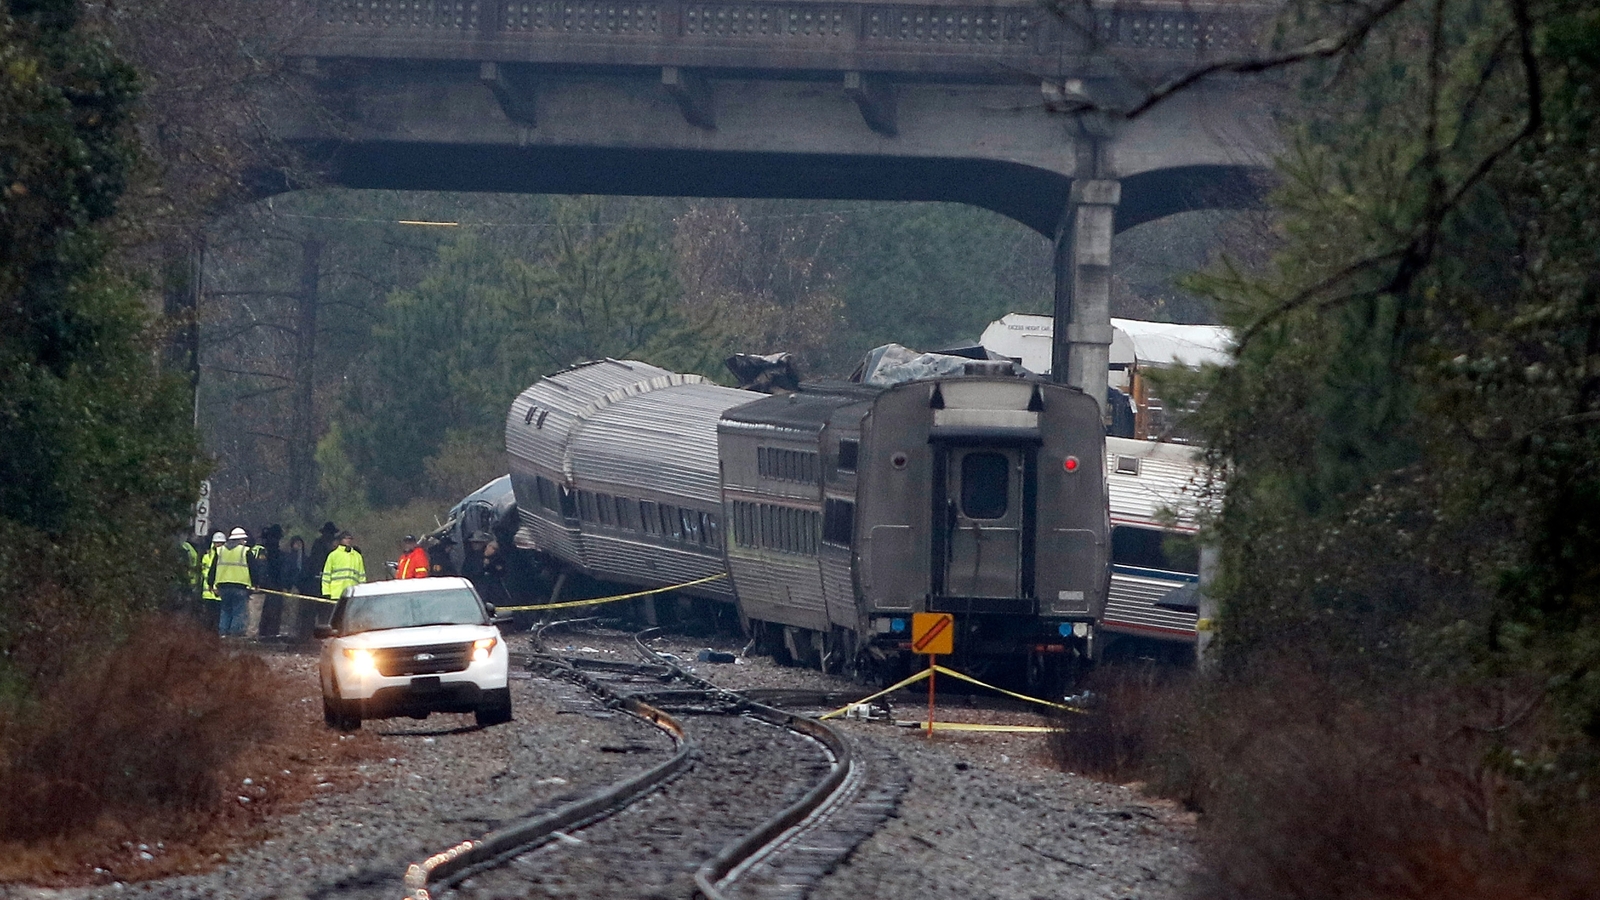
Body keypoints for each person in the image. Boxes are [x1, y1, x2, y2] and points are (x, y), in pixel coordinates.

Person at [210, 527, 254, 637]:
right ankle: (234, 635)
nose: (244, 542)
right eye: (243, 539)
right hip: (240, 586)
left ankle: (223, 633)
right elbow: (253, 569)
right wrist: (255, 584)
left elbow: (213, 568)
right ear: (239, 539)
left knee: (225, 610)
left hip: (223, 586)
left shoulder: (220, 550)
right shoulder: (245, 551)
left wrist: (211, 583)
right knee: (238, 611)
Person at [255, 524, 285, 639]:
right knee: (272, 610)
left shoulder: (262, 549)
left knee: (264, 611)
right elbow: (271, 567)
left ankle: (265, 632)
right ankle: (270, 633)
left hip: (267, 584)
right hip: (273, 584)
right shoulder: (271, 551)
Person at [322, 530, 366, 602]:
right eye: (345, 538)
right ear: (340, 540)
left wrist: (361, 592)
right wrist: (326, 592)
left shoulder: (357, 556)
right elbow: (326, 576)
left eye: (350, 538)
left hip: (352, 595)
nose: (348, 540)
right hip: (336, 593)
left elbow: (362, 577)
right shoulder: (333, 555)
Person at [201, 530, 225, 632]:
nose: (218, 545)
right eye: (216, 543)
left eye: (220, 543)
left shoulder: (224, 555)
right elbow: (206, 572)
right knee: (209, 619)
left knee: (217, 619)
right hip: (208, 592)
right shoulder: (207, 556)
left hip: (219, 593)